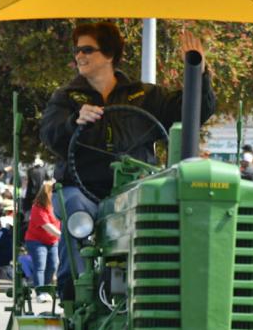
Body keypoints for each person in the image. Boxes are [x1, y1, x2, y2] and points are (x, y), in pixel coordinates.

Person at [40, 21, 214, 289]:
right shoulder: (66, 97)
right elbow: (50, 135)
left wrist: (199, 73)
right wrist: (74, 121)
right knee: (75, 211)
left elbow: (194, 112)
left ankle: (157, 289)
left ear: (109, 54)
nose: (79, 56)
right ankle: (75, 293)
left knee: (161, 215)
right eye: (77, 50)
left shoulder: (144, 95)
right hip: (83, 190)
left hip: (133, 192)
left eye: (87, 49)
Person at [23, 181, 60, 291]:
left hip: (53, 241)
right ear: (47, 194)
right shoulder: (37, 207)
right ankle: (40, 292)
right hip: (36, 241)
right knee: (40, 266)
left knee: (53, 265)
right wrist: (62, 235)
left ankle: (47, 289)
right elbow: (47, 226)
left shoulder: (55, 206)